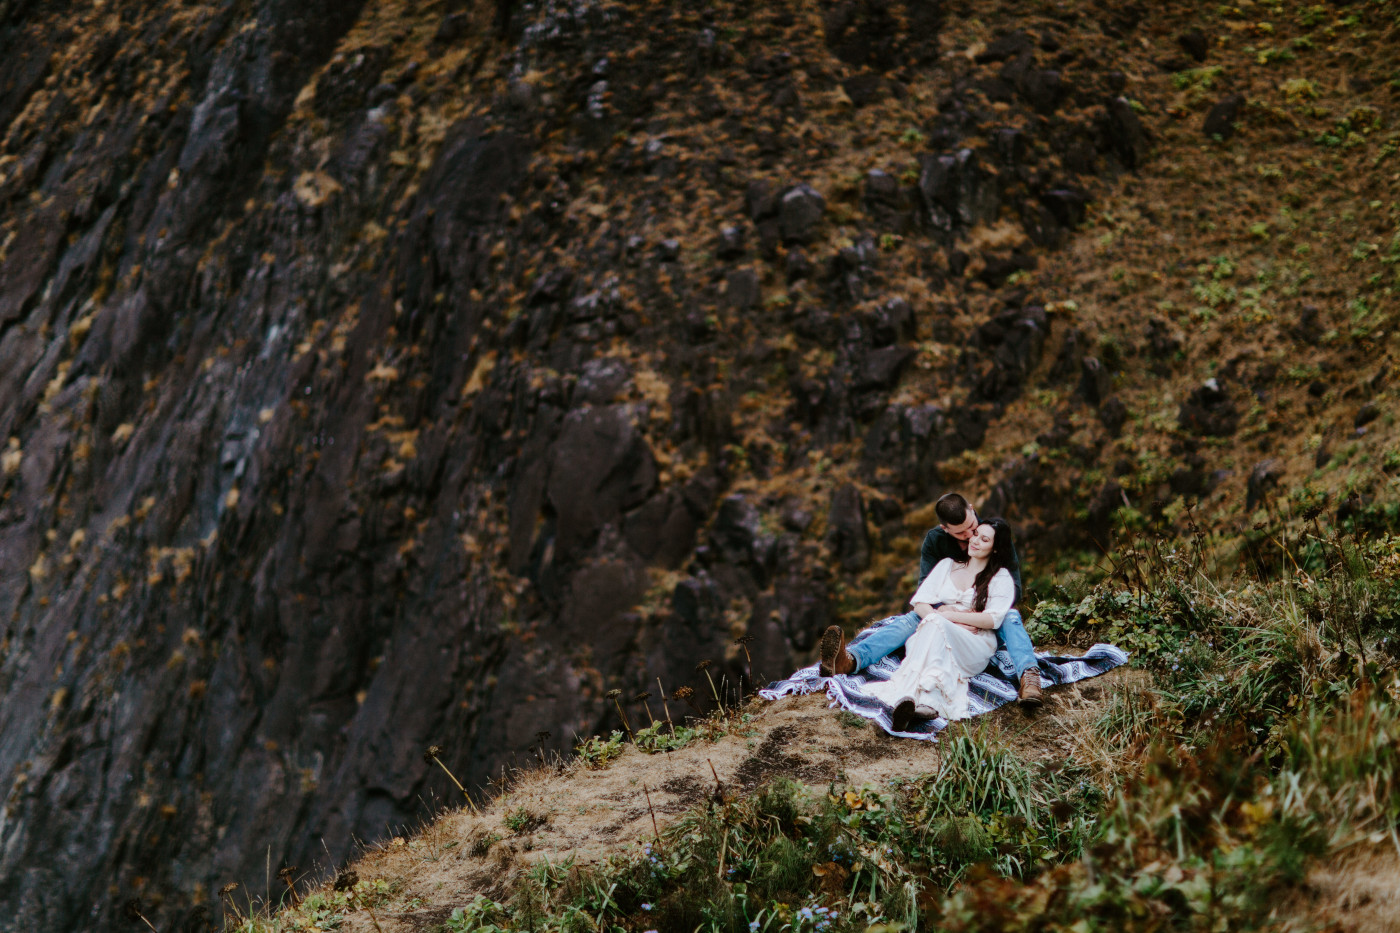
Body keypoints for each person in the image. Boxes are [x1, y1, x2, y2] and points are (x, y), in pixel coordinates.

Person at [819, 493, 1043, 706]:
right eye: (962, 534)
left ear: (972, 511)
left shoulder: (993, 534)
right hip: (941, 613)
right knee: (911, 619)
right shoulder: (937, 543)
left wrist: (968, 616)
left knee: (1010, 616)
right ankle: (851, 660)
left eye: (972, 528)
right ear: (945, 529)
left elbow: (1011, 590)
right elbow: (925, 592)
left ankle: (1029, 675)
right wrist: (946, 617)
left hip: (984, 615)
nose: (970, 537)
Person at [864, 518, 1017, 731]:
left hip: (974, 643)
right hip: (935, 632)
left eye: (984, 539)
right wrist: (943, 618)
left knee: (935, 624)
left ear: (995, 549)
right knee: (933, 626)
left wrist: (950, 616)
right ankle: (927, 701)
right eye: (975, 535)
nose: (975, 541)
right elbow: (920, 604)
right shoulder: (947, 565)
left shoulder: (1001, 578)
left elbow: (992, 619)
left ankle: (910, 694)